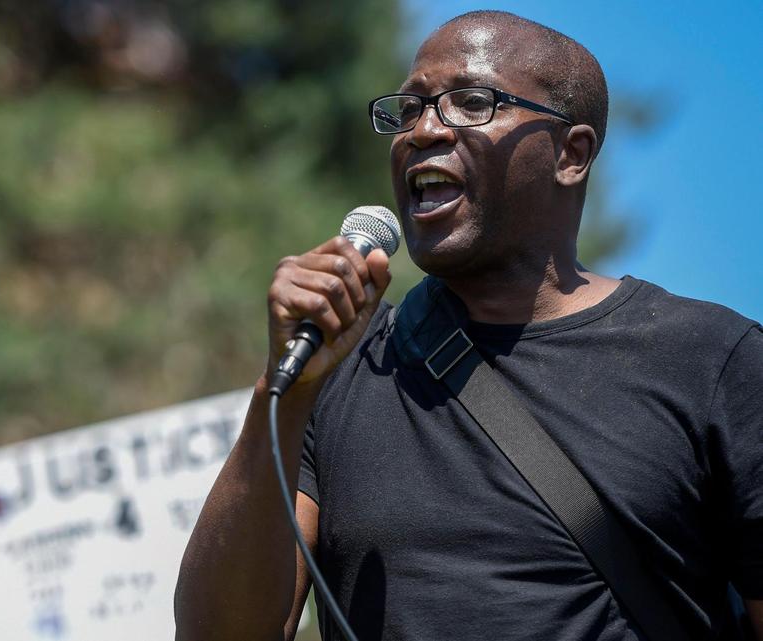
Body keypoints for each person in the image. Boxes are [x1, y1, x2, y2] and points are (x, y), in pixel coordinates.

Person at [174, 10, 763, 641]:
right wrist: (284, 395)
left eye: (471, 103)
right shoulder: (340, 372)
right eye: (408, 109)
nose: (422, 130)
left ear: (572, 153)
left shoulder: (713, 360)